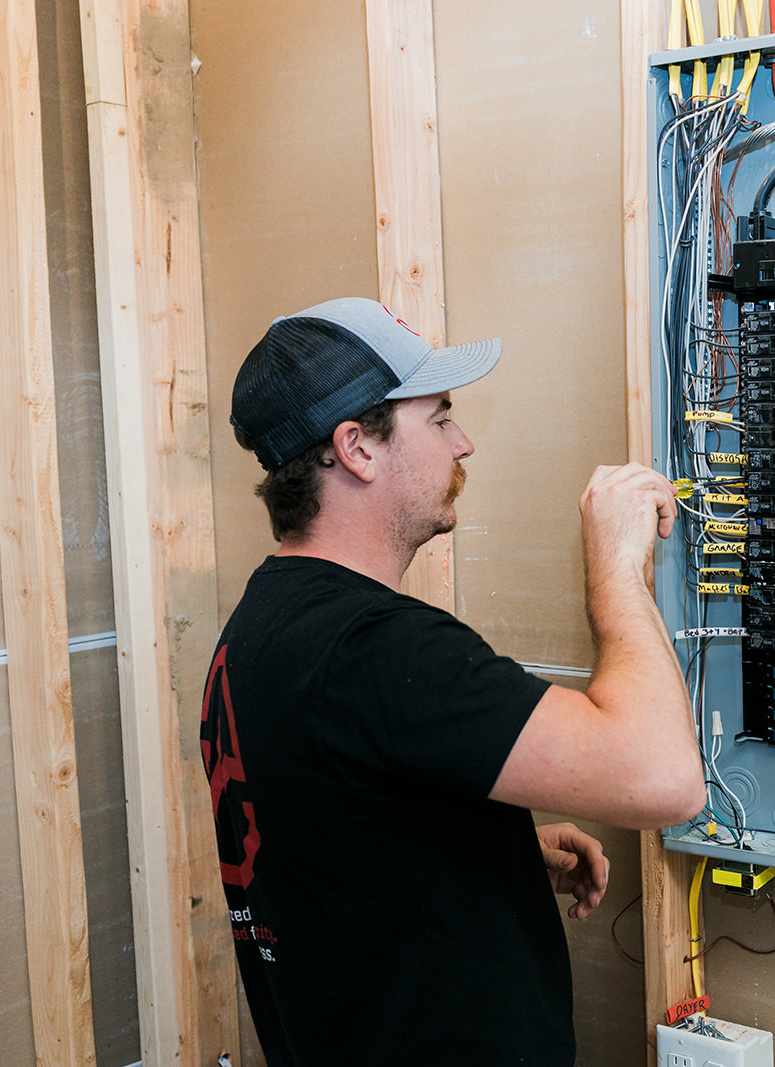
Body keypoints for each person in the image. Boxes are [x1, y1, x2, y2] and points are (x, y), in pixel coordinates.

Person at [200, 297, 705, 1065]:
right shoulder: (377, 648)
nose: (462, 442)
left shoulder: (258, 630)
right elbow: (665, 779)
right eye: (437, 418)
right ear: (357, 448)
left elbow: (327, 837)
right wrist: (616, 564)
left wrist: (489, 845)